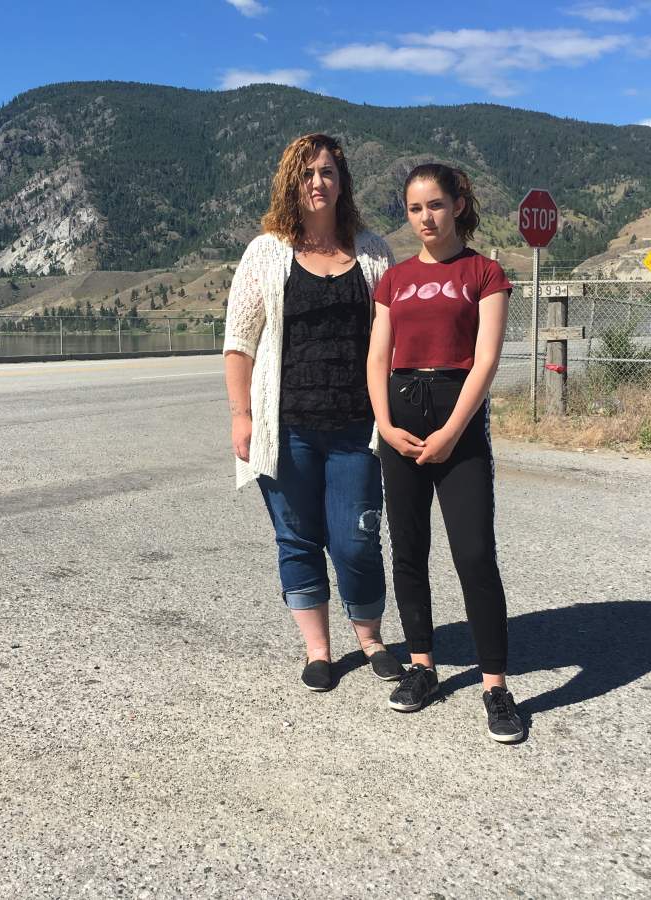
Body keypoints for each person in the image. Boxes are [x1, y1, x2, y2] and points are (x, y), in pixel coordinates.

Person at [222, 133, 400, 692]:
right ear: (290, 184)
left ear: (342, 182)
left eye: (326, 171)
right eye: (306, 174)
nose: (317, 182)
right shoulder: (265, 252)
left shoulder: (373, 253)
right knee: (296, 538)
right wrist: (242, 415)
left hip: (358, 427)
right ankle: (318, 650)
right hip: (287, 427)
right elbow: (239, 342)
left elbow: (392, 340)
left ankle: (370, 640)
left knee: (356, 539)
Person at [366, 163, 524, 742]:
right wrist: (385, 425)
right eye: (414, 209)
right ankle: (422, 666)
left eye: (435, 205)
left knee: (475, 553)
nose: (425, 218)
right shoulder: (394, 280)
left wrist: (455, 431)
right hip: (401, 423)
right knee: (408, 549)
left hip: (459, 423)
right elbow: (377, 356)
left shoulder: (484, 273)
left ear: (457, 205)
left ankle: (495, 686)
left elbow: (486, 360)